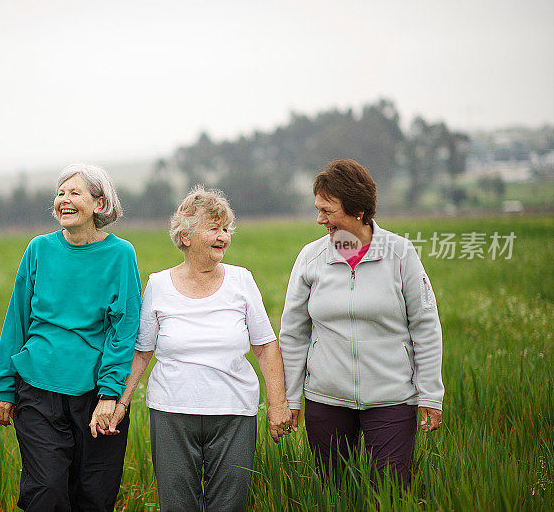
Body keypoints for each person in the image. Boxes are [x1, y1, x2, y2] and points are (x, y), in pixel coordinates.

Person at [112, 186, 290, 512]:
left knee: (230, 506)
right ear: (186, 235)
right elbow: (141, 352)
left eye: (226, 229)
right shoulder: (159, 285)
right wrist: (121, 403)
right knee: (177, 506)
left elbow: (265, 347)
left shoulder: (241, 281)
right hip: (171, 414)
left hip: (234, 413)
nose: (223, 236)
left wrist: (278, 404)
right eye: (214, 228)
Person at [279, 159, 444, 488]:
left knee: (390, 492)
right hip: (325, 399)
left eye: (328, 210)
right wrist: (291, 398)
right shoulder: (310, 259)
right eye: (317, 208)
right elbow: (293, 334)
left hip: (392, 398)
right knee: (333, 492)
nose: (319, 218)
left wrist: (430, 394)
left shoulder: (401, 254)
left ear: (357, 209)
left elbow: (426, 326)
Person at [0, 163, 142, 511]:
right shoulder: (39, 249)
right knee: (46, 492)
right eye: (60, 193)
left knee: (93, 496)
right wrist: (2, 386)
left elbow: (124, 330)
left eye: (75, 193)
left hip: (94, 395)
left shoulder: (121, 254)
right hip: (37, 388)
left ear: (99, 204)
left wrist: (110, 394)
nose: (64, 200)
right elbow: (17, 319)